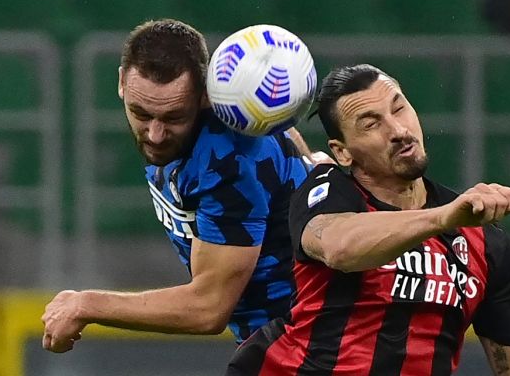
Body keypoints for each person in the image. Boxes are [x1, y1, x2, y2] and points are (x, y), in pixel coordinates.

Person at [226, 64, 510, 375]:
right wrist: (441, 218)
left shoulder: (484, 243)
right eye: (370, 123)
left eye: (399, 108)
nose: (397, 130)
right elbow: (340, 247)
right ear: (342, 153)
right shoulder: (326, 193)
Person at [41, 19, 315, 352]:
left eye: (173, 118)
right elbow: (278, 134)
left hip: (316, 345)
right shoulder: (229, 123)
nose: (155, 134)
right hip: (283, 343)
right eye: (141, 114)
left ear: (204, 97)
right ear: (121, 83)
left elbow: (208, 309)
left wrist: (87, 305)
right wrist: (310, 162)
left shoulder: (226, 163)